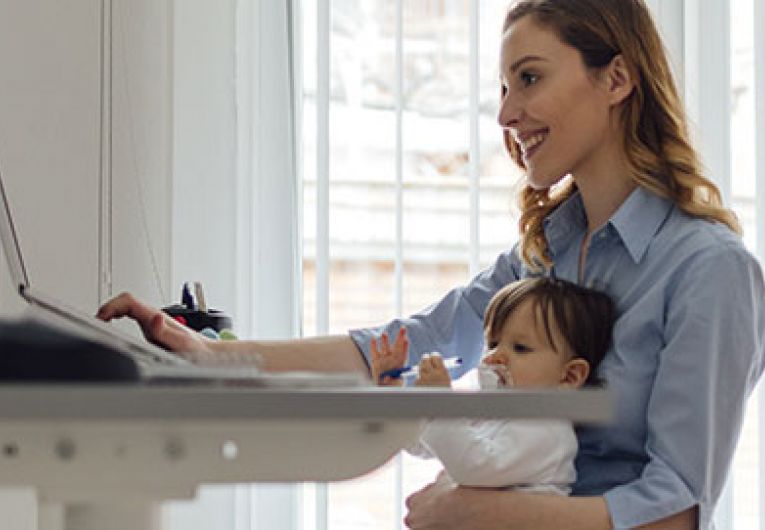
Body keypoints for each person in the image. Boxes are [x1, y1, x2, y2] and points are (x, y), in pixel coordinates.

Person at [97, 0, 765, 527]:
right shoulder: (546, 251)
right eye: (503, 87)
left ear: (616, 78)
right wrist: (214, 358)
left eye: (528, 78)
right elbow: (413, 343)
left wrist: (486, 514)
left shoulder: (708, 271)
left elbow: (674, 510)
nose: (505, 112)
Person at [371, 277, 615, 494]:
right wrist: (393, 393)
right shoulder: (492, 413)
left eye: (520, 348)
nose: (494, 357)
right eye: (493, 343)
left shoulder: (548, 429)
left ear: (569, 377)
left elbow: (475, 468)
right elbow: (421, 443)